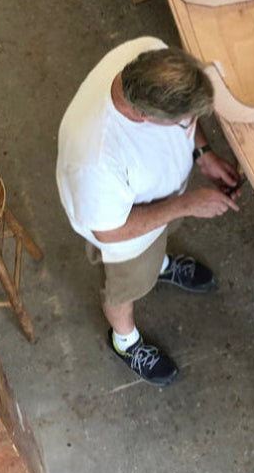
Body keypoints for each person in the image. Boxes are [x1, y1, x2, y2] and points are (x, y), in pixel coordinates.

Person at [56, 39, 241, 385]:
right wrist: (186, 205)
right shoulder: (95, 160)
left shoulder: (150, 52)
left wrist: (203, 154)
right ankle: (125, 342)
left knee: (159, 242)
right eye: (183, 122)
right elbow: (108, 231)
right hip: (126, 238)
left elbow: (186, 115)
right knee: (125, 289)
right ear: (142, 116)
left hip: (158, 198)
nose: (190, 125)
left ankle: (161, 264)